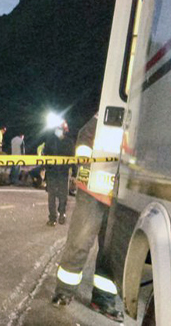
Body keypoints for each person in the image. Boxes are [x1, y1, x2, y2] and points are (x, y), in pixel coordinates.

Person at [51, 114, 123, 322]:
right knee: (80, 243)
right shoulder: (108, 112)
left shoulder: (144, 115)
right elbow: (84, 139)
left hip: (120, 197)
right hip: (94, 190)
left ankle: (104, 300)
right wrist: (86, 164)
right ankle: (64, 292)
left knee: (112, 253)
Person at [43, 119, 74, 226]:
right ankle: (54, 217)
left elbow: (72, 158)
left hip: (62, 172)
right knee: (54, 195)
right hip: (53, 172)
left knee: (61, 195)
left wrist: (74, 173)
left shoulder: (68, 142)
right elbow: (45, 155)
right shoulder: (51, 140)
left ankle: (60, 214)